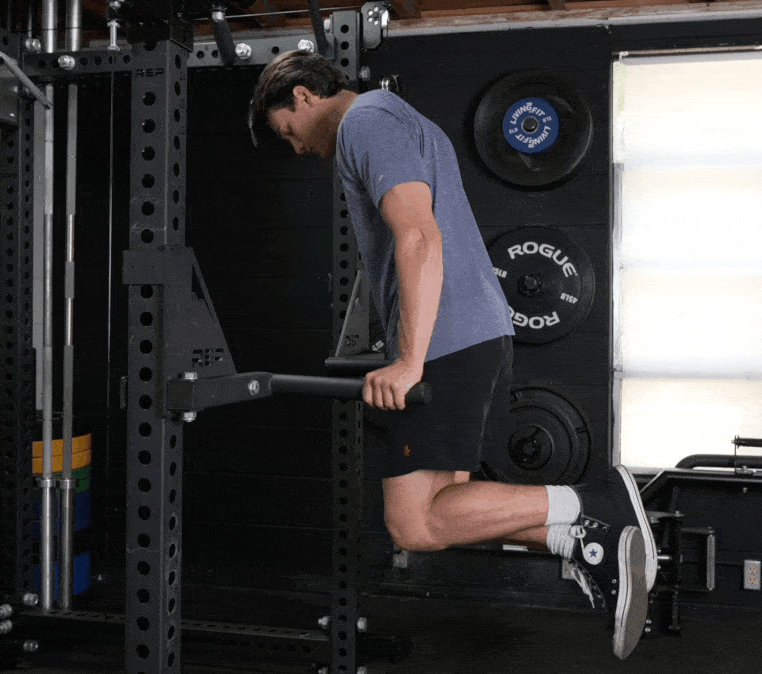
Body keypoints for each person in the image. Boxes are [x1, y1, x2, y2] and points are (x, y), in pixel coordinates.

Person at [249, 50, 653, 659]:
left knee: (415, 524)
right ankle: (586, 542)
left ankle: (597, 507)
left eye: (287, 132)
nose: (298, 148)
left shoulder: (367, 123)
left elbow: (418, 234)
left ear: (303, 97)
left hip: (447, 341)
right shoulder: (398, 118)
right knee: (451, 511)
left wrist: (410, 359)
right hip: (474, 334)